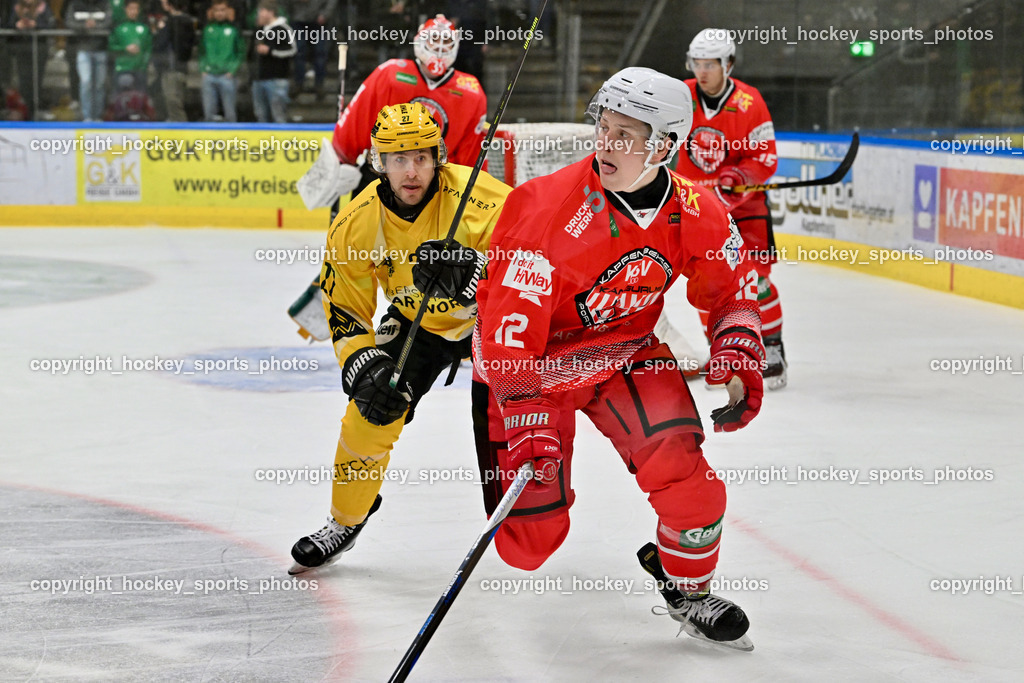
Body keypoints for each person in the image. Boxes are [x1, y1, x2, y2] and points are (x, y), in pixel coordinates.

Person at [471, 67, 764, 650]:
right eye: (603, 128)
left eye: (625, 135)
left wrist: (736, 349)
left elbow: (735, 291)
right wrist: (527, 417)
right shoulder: (544, 208)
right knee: (530, 544)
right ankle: (525, 489)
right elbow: (506, 335)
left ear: (665, 146)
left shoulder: (697, 211)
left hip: (624, 351)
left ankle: (688, 587)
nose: (606, 145)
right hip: (532, 369)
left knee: (690, 480)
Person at [288, 102, 511, 574]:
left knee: (524, 418)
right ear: (378, 162)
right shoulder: (355, 223)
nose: (411, 171)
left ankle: (531, 517)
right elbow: (346, 305)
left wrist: (478, 276)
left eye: (422, 158)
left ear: (439, 157)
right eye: (398, 158)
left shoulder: (486, 199)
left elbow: (537, 262)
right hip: (418, 325)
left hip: (495, 325)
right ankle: (346, 519)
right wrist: (362, 362)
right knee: (371, 408)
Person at [287, 12, 488, 340]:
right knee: (351, 249)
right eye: (432, 41)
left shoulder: (471, 91)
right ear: (417, 43)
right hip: (378, 180)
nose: (438, 49)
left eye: (445, 43)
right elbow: (356, 120)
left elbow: (469, 156)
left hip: (432, 189)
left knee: (427, 262)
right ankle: (337, 312)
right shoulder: (391, 74)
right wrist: (343, 160)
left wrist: (469, 199)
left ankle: (439, 329)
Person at [674, 28, 784, 389]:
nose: (702, 71)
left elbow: (765, 157)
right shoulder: (680, 97)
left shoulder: (751, 103)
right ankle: (722, 351)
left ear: (728, 64)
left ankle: (772, 348)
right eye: (697, 63)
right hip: (699, 213)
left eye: (710, 64)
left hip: (745, 209)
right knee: (708, 284)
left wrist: (739, 174)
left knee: (756, 279)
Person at [64, 0, 111, 121]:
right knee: (86, 82)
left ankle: (98, 116)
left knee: (99, 84)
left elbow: (109, 22)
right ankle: (87, 116)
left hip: (101, 49)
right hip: (83, 49)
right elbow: (69, 22)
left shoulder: (105, 4)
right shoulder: (75, 4)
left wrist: (96, 26)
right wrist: (84, 26)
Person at [198, 0, 243, 121]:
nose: (219, 13)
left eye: (222, 10)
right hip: (209, 74)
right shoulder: (207, 29)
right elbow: (201, 51)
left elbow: (240, 52)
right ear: (212, 12)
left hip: (226, 75)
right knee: (208, 114)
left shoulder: (234, 30)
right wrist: (203, 68)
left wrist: (232, 70)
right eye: (216, 10)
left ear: (228, 11)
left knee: (230, 113)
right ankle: (208, 139)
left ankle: (232, 139)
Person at [10, 0, 55, 120]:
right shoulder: (16, 7)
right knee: (24, 82)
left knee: (36, 81)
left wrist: (36, 25)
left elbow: (50, 25)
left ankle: (36, 111)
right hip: (22, 50)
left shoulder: (43, 7)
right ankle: (25, 111)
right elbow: (8, 24)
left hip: (38, 50)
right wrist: (17, 25)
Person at [152, 0, 196, 121]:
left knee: (173, 101)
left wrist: (161, 30)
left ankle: (181, 131)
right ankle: (174, 125)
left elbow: (163, 43)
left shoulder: (176, 21)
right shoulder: (180, 20)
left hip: (173, 67)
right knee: (172, 100)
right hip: (172, 67)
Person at [252, 0, 295, 123]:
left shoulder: (283, 29)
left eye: (261, 11)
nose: (259, 14)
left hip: (277, 79)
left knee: (279, 116)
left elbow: (292, 50)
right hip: (259, 79)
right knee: (260, 116)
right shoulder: (260, 30)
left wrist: (271, 51)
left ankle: (281, 141)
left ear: (271, 12)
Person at [288, 0, 335, 99]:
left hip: (319, 19)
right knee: (299, 51)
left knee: (320, 53)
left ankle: (319, 85)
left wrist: (325, 14)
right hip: (298, 17)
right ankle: (298, 83)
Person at [108, 0, 151, 92]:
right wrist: (125, 49)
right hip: (122, 68)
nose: (133, 12)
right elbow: (111, 46)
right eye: (131, 9)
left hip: (140, 69)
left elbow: (148, 49)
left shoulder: (145, 29)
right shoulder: (118, 29)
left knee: (140, 98)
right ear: (125, 10)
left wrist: (144, 64)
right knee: (122, 99)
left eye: (136, 9)